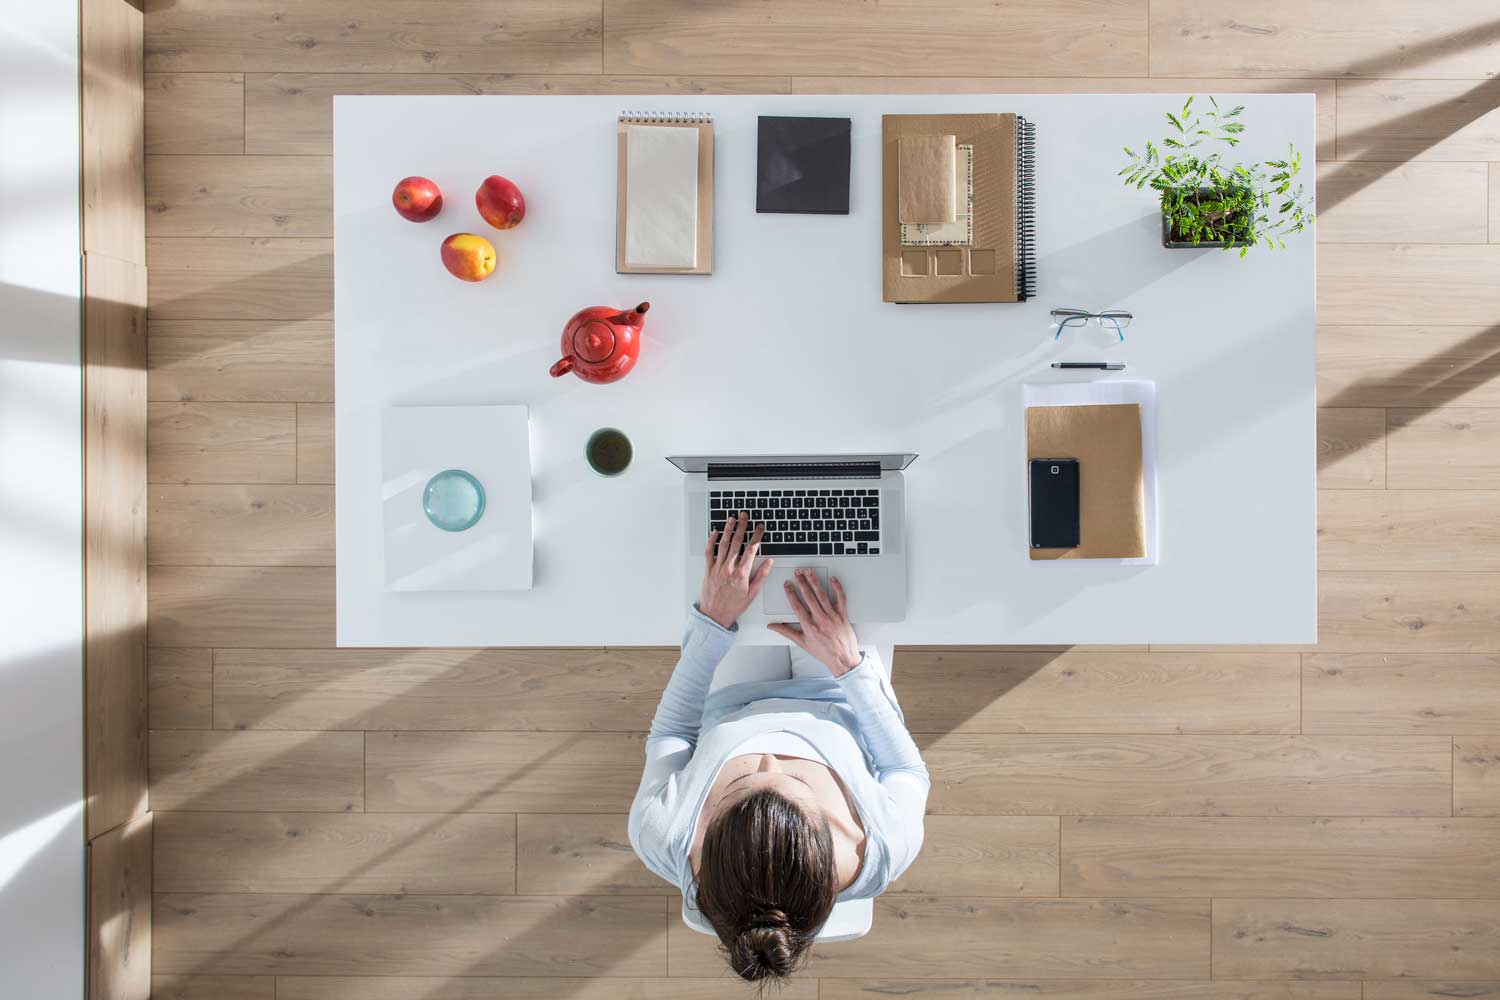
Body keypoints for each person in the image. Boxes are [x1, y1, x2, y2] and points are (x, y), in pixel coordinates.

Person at [628, 511, 929, 982]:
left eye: (744, 781)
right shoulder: (885, 848)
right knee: (852, 535)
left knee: (739, 563)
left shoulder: (662, 835)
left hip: (733, 697)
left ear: (707, 849)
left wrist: (712, 622)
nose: (769, 756)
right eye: (793, 779)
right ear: (831, 843)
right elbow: (905, 770)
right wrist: (848, 664)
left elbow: (673, 733)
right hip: (840, 691)